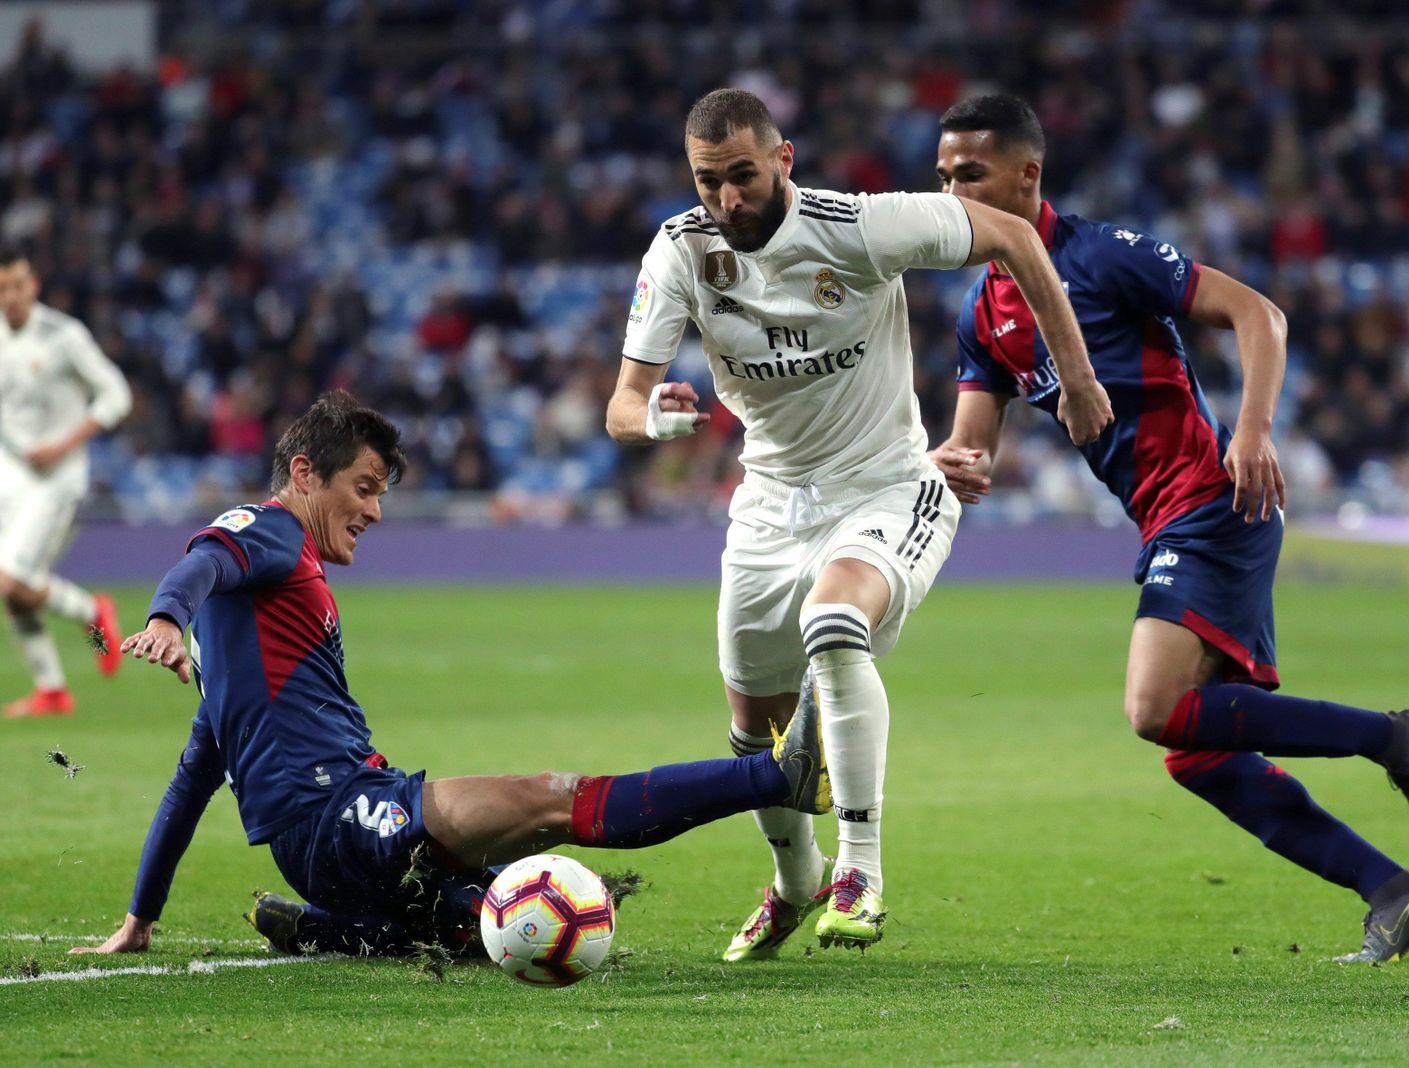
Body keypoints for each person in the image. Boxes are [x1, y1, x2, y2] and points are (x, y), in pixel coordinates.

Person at [928, 95, 1409, 964]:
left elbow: (1261, 315)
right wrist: (950, 464)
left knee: (1152, 707)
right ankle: (1393, 890)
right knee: (1196, 749)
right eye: (944, 175)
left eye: (971, 173)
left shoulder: (1101, 255)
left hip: (1216, 498)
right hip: (1165, 517)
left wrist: (1253, 428)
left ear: (1027, 174)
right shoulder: (982, 314)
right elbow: (971, 449)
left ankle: (1392, 737)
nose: (952, 190)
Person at [606, 88, 1112, 957]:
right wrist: (658, 418)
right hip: (768, 506)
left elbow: (1019, 238)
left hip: (886, 486)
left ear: (784, 160)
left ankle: (861, 872)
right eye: (707, 181)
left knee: (834, 623)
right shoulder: (682, 250)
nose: (727, 199)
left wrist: (1078, 376)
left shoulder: (862, 227)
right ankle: (794, 879)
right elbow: (621, 403)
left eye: (742, 176)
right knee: (753, 733)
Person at [71, 391, 830, 959]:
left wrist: (141, 917)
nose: (373, 511)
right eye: (364, 488)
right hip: (344, 818)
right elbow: (206, 557)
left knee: (487, 926)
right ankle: (777, 776)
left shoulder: (244, 653)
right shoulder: (272, 532)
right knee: (551, 801)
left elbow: (192, 778)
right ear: (304, 473)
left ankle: (336, 931)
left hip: (324, 846)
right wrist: (167, 616)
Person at [0, 242, 129, 718]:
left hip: (57, 479)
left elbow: (117, 394)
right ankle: (52, 689)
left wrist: (65, 442)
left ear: (32, 285)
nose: (10, 297)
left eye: (17, 286)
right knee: (18, 587)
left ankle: (94, 613)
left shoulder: (63, 335)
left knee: (10, 580)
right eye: (1, 289)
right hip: (10, 479)